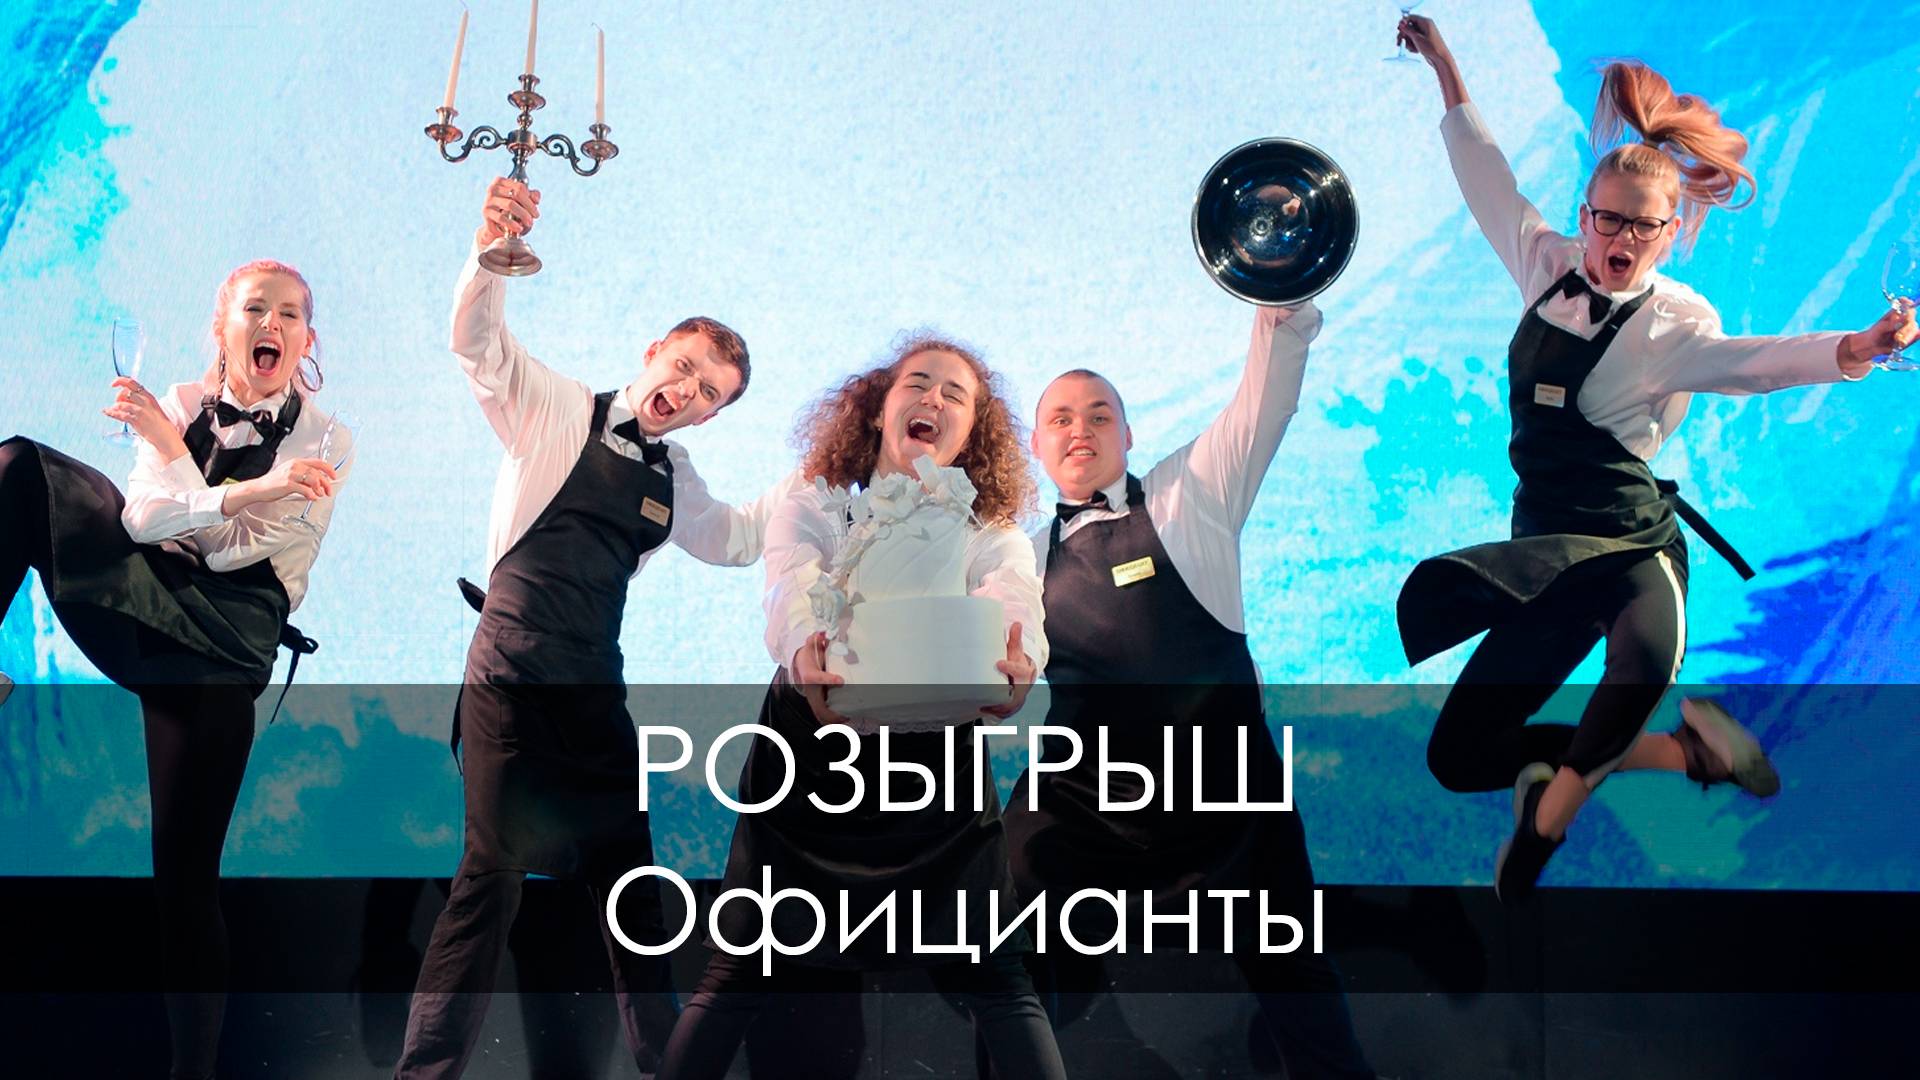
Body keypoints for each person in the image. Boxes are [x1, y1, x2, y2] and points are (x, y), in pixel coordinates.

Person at [1392, 15, 1918, 904]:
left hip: (1633, 545)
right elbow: (1485, 174)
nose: (1621, 240)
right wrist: (1445, 68)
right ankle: (1688, 756)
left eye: (1643, 227)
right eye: (1608, 220)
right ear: (1585, 217)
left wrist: (1857, 348)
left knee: (1636, 672)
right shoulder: (1545, 266)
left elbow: (1757, 364)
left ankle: (1543, 831)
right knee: (1460, 756)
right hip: (1549, 553)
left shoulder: (1676, 323)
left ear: (1670, 233)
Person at [395, 178, 799, 1079]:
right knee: (490, 879)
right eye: (683, 367)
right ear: (654, 353)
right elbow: (477, 344)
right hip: (509, 670)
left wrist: (821, 473)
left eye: (708, 392)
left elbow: (735, 539)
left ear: (713, 413)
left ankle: (665, 1064)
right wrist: (489, 251)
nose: (685, 390)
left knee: (630, 879)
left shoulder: (675, 474)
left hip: (592, 687)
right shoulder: (555, 405)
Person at [658, 333, 1068, 1080]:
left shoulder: (988, 527)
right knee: (739, 968)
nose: (934, 398)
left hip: (933, 769)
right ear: (880, 407)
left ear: (971, 431)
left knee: (998, 975)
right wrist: (804, 648)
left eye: (955, 394)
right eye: (918, 383)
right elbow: (790, 578)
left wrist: (1021, 660)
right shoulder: (815, 498)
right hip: (810, 758)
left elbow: (1013, 594)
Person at [1005, 300, 1378, 1080]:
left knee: (1293, 969)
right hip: (1090, 800)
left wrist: (1280, 297)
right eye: (1061, 418)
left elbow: (1264, 402)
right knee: (1005, 923)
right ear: (1036, 446)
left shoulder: (1192, 493)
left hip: (1229, 794)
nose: (1081, 428)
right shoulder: (1017, 560)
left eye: (1100, 415)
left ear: (1128, 435)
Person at [0, 259, 350, 1079]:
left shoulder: (328, 441)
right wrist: (185, 450)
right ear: (223, 326)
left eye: (289, 314)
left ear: (306, 341)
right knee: (18, 467)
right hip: (146, 601)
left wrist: (198, 471)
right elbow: (143, 518)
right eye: (254, 308)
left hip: (223, 644)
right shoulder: (182, 404)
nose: (271, 324)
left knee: (184, 887)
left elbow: (229, 557)